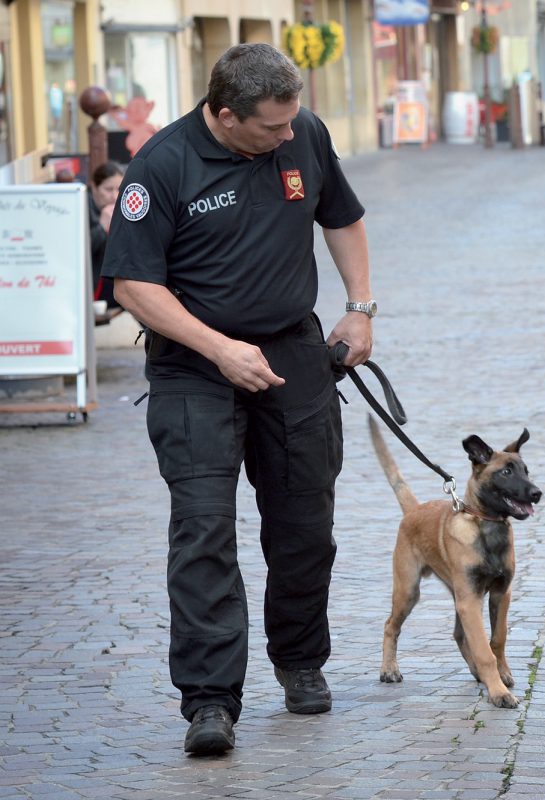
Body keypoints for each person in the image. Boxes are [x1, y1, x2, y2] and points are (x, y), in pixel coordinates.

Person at [101, 43, 374, 756]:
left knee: (305, 522)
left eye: (292, 123)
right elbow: (131, 284)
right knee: (202, 533)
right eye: (271, 128)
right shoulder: (163, 166)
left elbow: (339, 215)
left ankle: (300, 659)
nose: (289, 136)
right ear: (225, 115)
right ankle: (210, 700)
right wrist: (218, 348)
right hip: (196, 367)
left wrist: (360, 306)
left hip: (292, 355)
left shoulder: (304, 132)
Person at [88, 161, 125, 310]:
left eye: (119, 189)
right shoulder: (82, 207)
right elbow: (76, 253)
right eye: (108, 189)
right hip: (94, 288)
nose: (114, 196)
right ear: (94, 188)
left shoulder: (123, 208)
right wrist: (102, 227)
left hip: (115, 281)